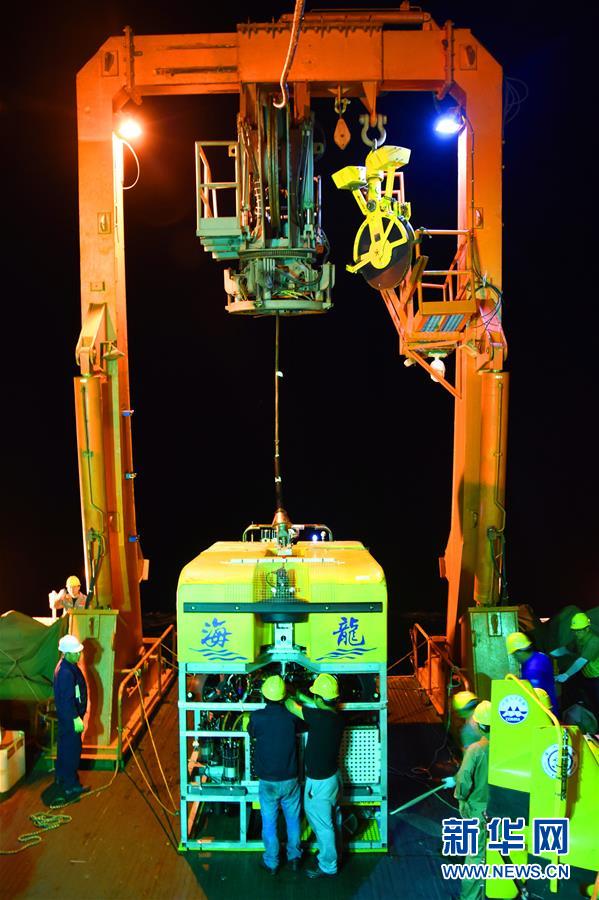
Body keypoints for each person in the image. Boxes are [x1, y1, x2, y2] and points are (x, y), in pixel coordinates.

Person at [285, 673, 344, 879]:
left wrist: (284, 695)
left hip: (320, 783)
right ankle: (337, 853)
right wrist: (301, 695)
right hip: (334, 778)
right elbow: (316, 705)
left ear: (320, 698)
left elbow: (292, 708)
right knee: (333, 820)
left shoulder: (318, 717)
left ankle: (328, 865)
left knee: (321, 823)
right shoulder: (335, 716)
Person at [248, 675, 304, 875]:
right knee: (293, 819)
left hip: (268, 782)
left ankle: (271, 862)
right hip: (290, 780)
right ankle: (295, 857)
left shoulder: (257, 717)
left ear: (264, 695)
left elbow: (251, 732)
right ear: (283, 696)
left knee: (269, 822)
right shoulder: (291, 717)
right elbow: (304, 724)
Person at [442, 700, 491, 900]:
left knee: (475, 856)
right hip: (504, 810)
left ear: (479, 725)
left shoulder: (476, 749)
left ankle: (470, 897)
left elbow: (464, 779)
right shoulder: (510, 745)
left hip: (478, 811)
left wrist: (460, 798)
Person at [53, 633, 89, 799]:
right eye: (75, 653)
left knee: (64, 747)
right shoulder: (67, 673)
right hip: (70, 718)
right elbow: (67, 699)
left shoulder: (65, 666)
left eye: (78, 652)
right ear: (65, 653)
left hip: (65, 717)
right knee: (72, 751)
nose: (78, 655)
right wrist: (75, 718)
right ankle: (71, 785)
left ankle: (61, 777)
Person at [552, 613, 599, 716]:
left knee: (597, 704)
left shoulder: (594, 642)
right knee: (585, 699)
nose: (575, 633)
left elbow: (580, 662)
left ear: (587, 629)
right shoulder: (578, 639)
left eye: (578, 630)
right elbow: (565, 649)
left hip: (597, 679)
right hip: (587, 676)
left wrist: (566, 675)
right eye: (574, 630)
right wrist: (549, 655)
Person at [506, 631, 558, 713]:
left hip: (543, 712)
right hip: (551, 705)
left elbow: (535, 697)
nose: (514, 657)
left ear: (519, 652)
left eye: (514, 654)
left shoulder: (533, 670)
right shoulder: (540, 656)